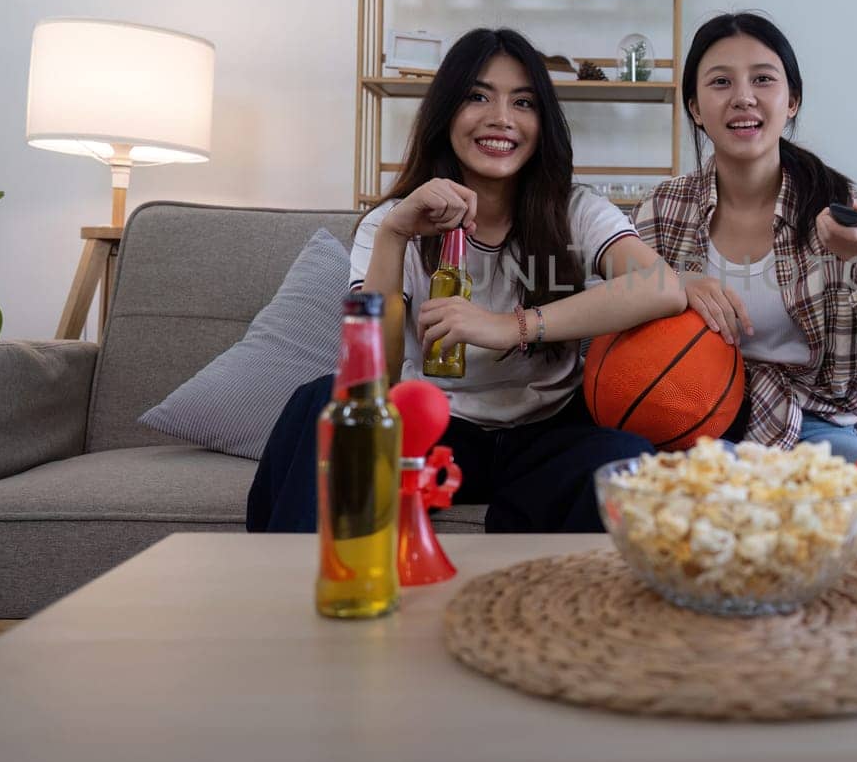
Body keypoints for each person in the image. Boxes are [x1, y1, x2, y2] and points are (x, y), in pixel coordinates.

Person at [247, 27, 685, 534]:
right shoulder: (391, 222)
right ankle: (296, 594)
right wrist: (394, 234)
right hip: (430, 432)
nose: (501, 118)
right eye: (478, 96)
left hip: (544, 439)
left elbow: (661, 287)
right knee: (324, 400)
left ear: (543, 123)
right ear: (445, 112)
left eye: (523, 103)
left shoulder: (577, 209)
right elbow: (377, 375)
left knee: (628, 457)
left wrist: (509, 326)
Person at [633, 12, 857, 470]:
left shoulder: (837, 205)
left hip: (814, 422)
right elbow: (619, 328)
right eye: (721, 82)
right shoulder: (662, 209)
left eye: (763, 79)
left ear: (792, 101)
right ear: (694, 106)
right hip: (697, 420)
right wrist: (674, 286)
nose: (743, 98)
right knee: (707, 499)